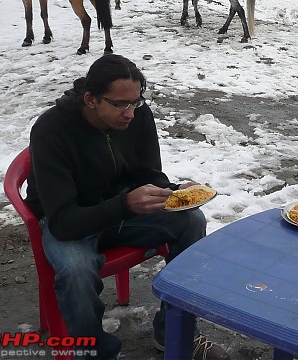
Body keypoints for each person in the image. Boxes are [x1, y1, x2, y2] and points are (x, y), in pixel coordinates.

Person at [25, 55, 229, 360]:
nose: (130, 113)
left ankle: (174, 331)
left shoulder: (138, 116)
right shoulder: (52, 129)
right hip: (70, 221)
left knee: (191, 220)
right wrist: (125, 205)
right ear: (91, 99)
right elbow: (63, 222)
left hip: (122, 209)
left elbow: (148, 173)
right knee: (76, 272)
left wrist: (173, 193)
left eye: (136, 102)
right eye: (120, 104)